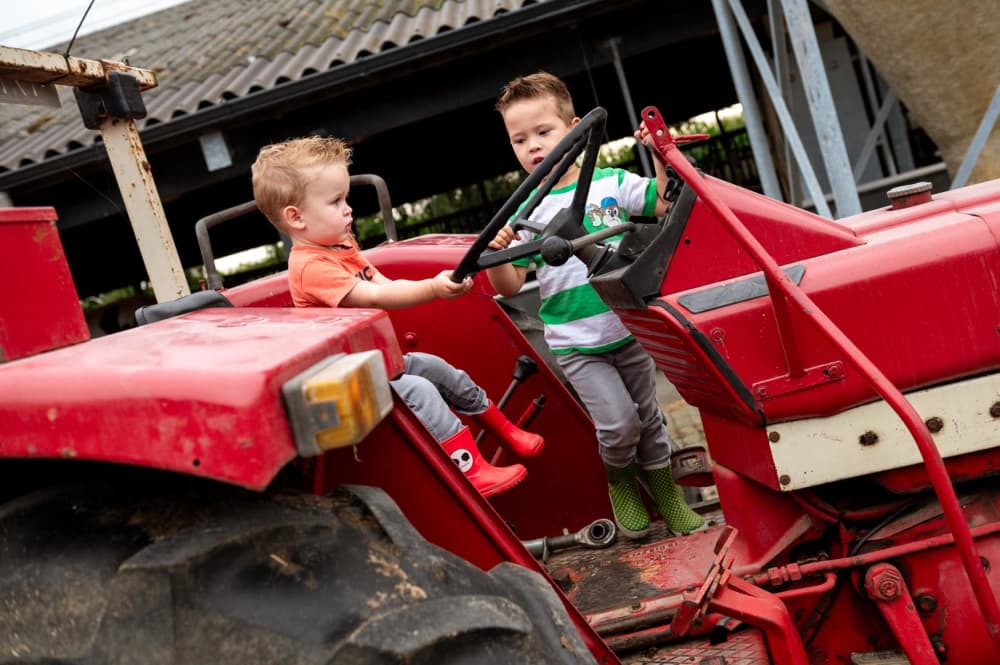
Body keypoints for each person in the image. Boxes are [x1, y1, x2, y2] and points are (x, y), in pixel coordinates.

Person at [251, 136, 543, 497]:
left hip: (375, 363)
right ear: (295, 217)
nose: (348, 210)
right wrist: (433, 289)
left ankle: (505, 431)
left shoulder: (341, 247)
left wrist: (438, 284)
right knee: (419, 390)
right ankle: (470, 468)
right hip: (354, 380)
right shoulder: (311, 266)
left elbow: (385, 281)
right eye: (335, 201)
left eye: (346, 199)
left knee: (436, 368)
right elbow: (374, 295)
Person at [486, 71, 703, 537]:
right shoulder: (524, 212)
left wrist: (660, 155)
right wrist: (497, 251)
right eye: (519, 139)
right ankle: (621, 480)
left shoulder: (610, 184)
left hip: (628, 327)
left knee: (648, 416)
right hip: (577, 342)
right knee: (620, 423)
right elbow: (508, 284)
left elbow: (663, 204)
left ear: (576, 128)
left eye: (543, 132)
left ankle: (666, 493)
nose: (532, 147)